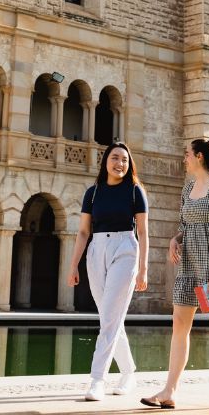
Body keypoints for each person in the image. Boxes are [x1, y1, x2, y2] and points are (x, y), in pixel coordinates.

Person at [142, 138, 209, 410]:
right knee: (179, 324)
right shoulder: (189, 187)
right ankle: (169, 391)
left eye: (188, 154)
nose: (185, 159)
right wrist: (175, 239)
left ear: (200, 156)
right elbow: (185, 224)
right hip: (189, 264)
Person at [68, 141, 149, 401]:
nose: (120, 164)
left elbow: (144, 232)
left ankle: (97, 379)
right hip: (97, 250)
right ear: (105, 161)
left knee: (110, 317)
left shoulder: (135, 192)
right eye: (115, 158)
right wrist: (73, 265)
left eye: (124, 160)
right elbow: (83, 232)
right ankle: (128, 373)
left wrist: (143, 269)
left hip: (125, 249)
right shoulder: (92, 193)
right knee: (109, 317)